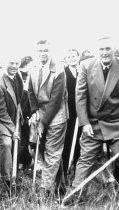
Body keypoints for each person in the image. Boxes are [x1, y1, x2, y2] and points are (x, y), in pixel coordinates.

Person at [63, 37, 119, 205]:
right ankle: (74, 198)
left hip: (116, 123)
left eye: (107, 48)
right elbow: (80, 96)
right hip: (93, 124)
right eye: (101, 49)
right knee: (85, 161)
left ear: (114, 49)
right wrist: (85, 123)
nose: (104, 52)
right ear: (97, 50)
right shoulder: (86, 66)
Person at [28, 40, 68, 194]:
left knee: (52, 152)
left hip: (57, 116)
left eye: (45, 50)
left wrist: (43, 122)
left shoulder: (59, 70)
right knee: (48, 152)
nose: (43, 54)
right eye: (40, 51)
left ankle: (45, 191)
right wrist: (34, 111)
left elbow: (56, 100)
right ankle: (61, 189)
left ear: (50, 51)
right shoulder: (33, 67)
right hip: (41, 113)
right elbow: (31, 92)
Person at [0, 55, 23, 188]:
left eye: (17, 62)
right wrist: (13, 130)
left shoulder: (17, 75)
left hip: (14, 115)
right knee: (7, 142)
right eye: (11, 63)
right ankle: (7, 180)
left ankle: (16, 171)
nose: (14, 66)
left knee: (18, 141)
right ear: (4, 62)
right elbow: (1, 113)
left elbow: (19, 96)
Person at [62, 49, 81, 182]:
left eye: (74, 56)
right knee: (67, 142)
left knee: (80, 143)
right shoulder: (63, 73)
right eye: (69, 57)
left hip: (80, 113)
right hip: (68, 113)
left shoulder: (82, 72)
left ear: (78, 57)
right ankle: (64, 172)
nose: (72, 58)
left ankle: (76, 173)